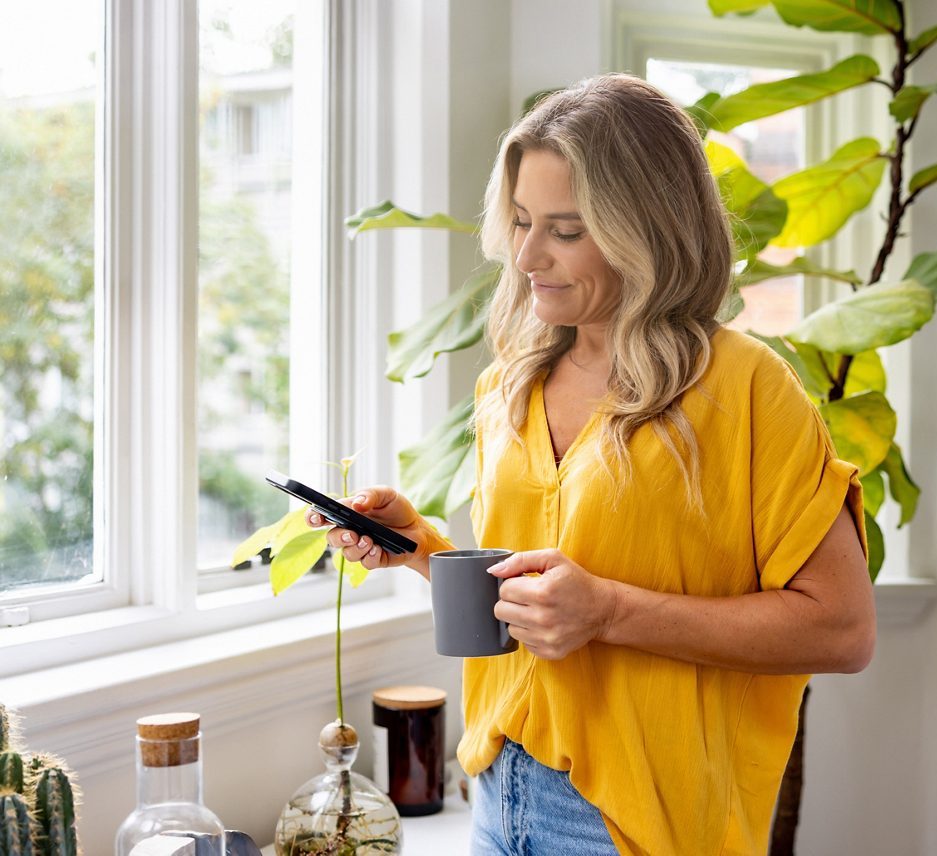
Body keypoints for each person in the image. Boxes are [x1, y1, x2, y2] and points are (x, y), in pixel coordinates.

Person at [306, 74, 876, 855]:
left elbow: (843, 629)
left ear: (649, 227)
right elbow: (537, 592)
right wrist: (421, 548)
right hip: (497, 792)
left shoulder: (746, 387)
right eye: (519, 221)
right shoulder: (510, 381)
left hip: (637, 822)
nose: (527, 254)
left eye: (566, 230)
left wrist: (609, 611)